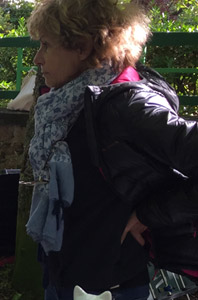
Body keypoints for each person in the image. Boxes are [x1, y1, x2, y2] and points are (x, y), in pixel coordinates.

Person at [25, 0, 198, 298]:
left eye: (46, 45)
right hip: (65, 276)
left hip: (109, 287)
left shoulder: (126, 105)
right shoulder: (68, 103)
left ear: (82, 47)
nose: (37, 58)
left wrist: (151, 213)